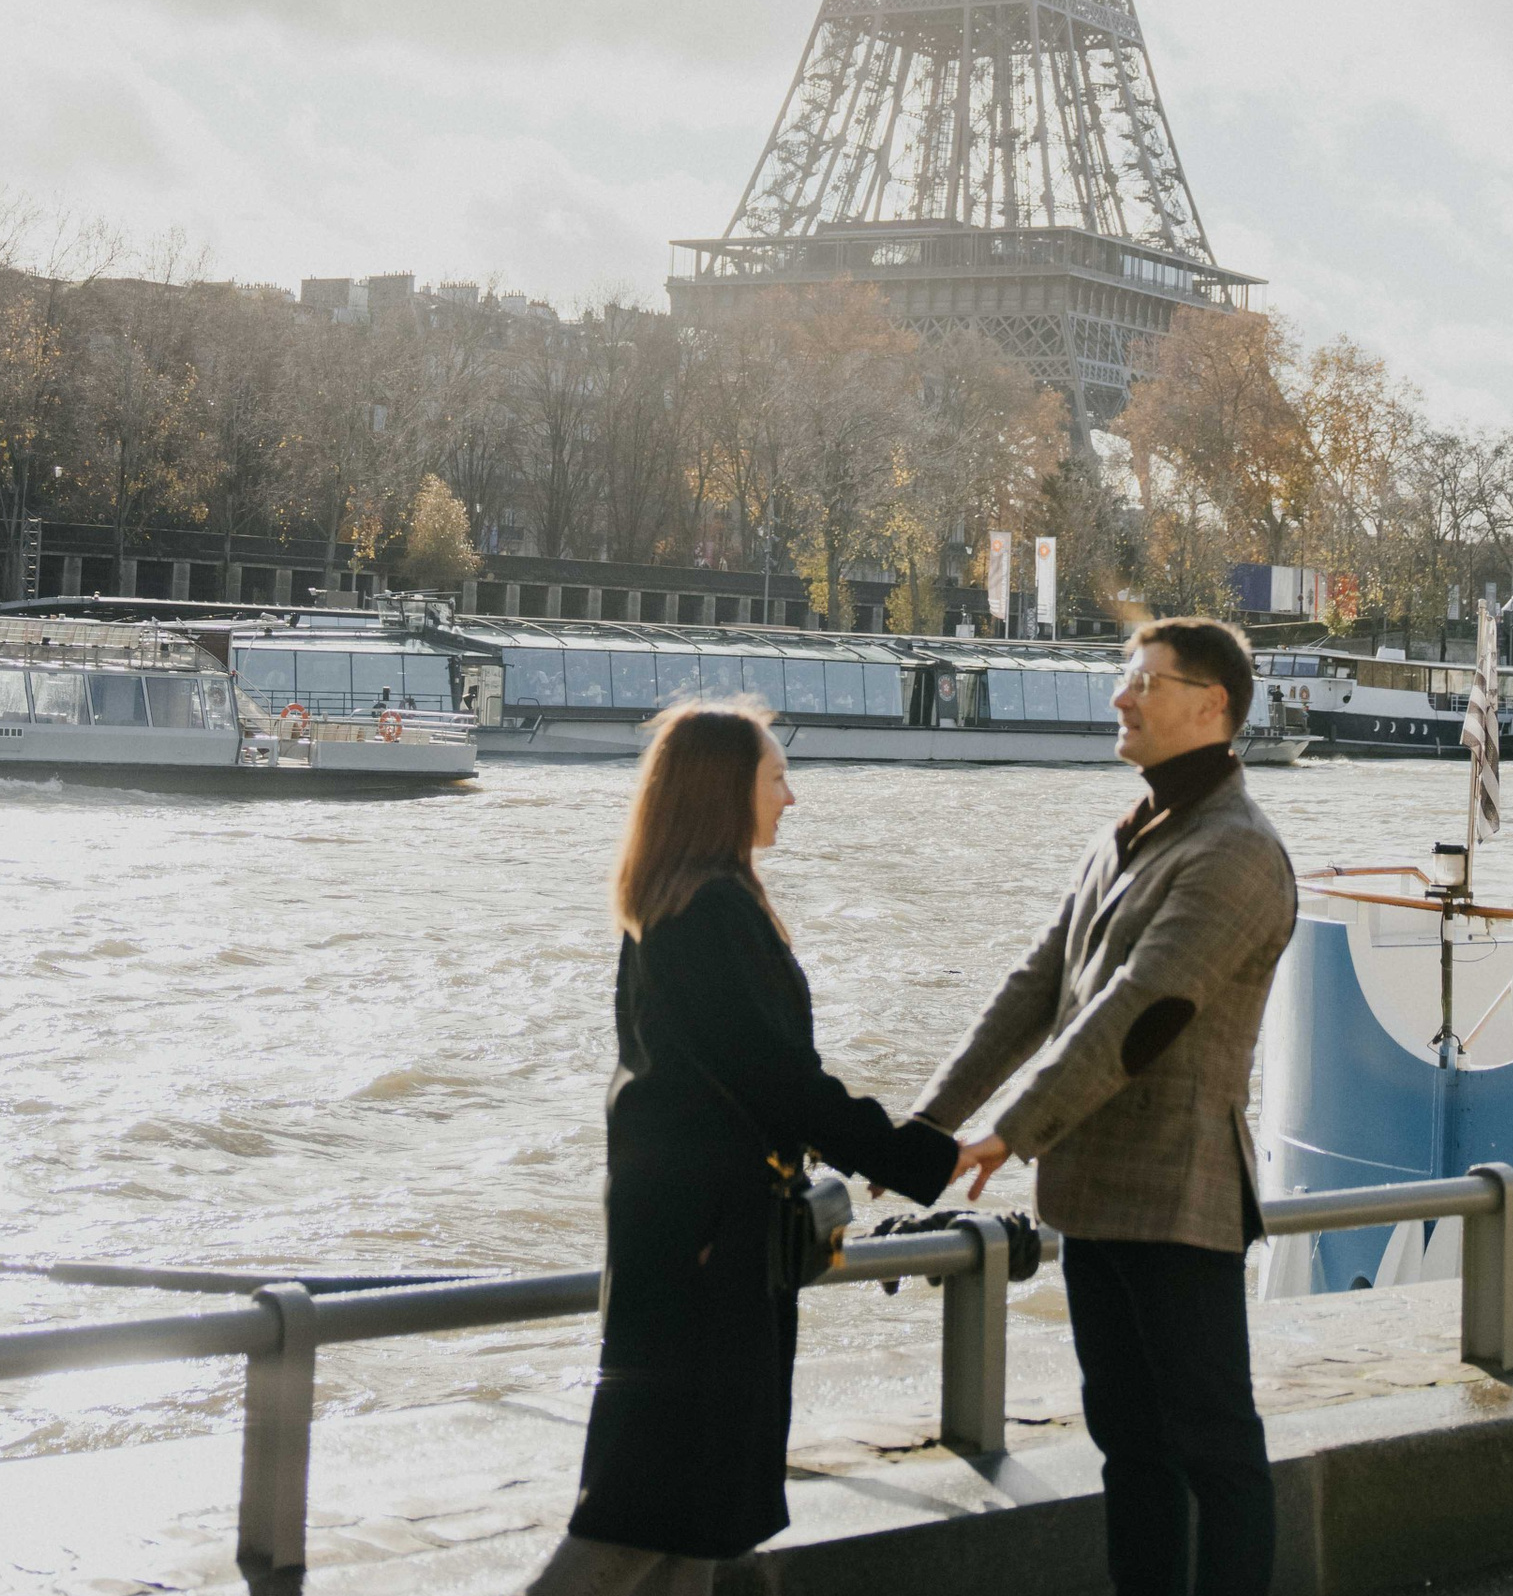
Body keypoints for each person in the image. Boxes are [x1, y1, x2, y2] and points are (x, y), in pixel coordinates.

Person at [527, 704, 961, 1596]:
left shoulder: (668, 902)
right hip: (710, 1258)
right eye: (774, 778)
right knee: (642, 1515)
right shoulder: (715, 913)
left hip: (687, 1241)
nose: (791, 798)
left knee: (696, 1516)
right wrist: (926, 1158)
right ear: (726, 791)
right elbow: (784, 1082)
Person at [914, 617, 1298, 1596]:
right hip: (1093, 1193)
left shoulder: (1240, 851)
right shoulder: (1128, 833)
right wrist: (921, 1124)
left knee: (1213, 1444)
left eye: (1144, 683)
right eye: (1124, 680)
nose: (1120, 698)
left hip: (1178, 1195)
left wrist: (1007, 1132)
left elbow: (1141, 1012)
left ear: (1212, 706)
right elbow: (1033, 988)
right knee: (1128, 1444)